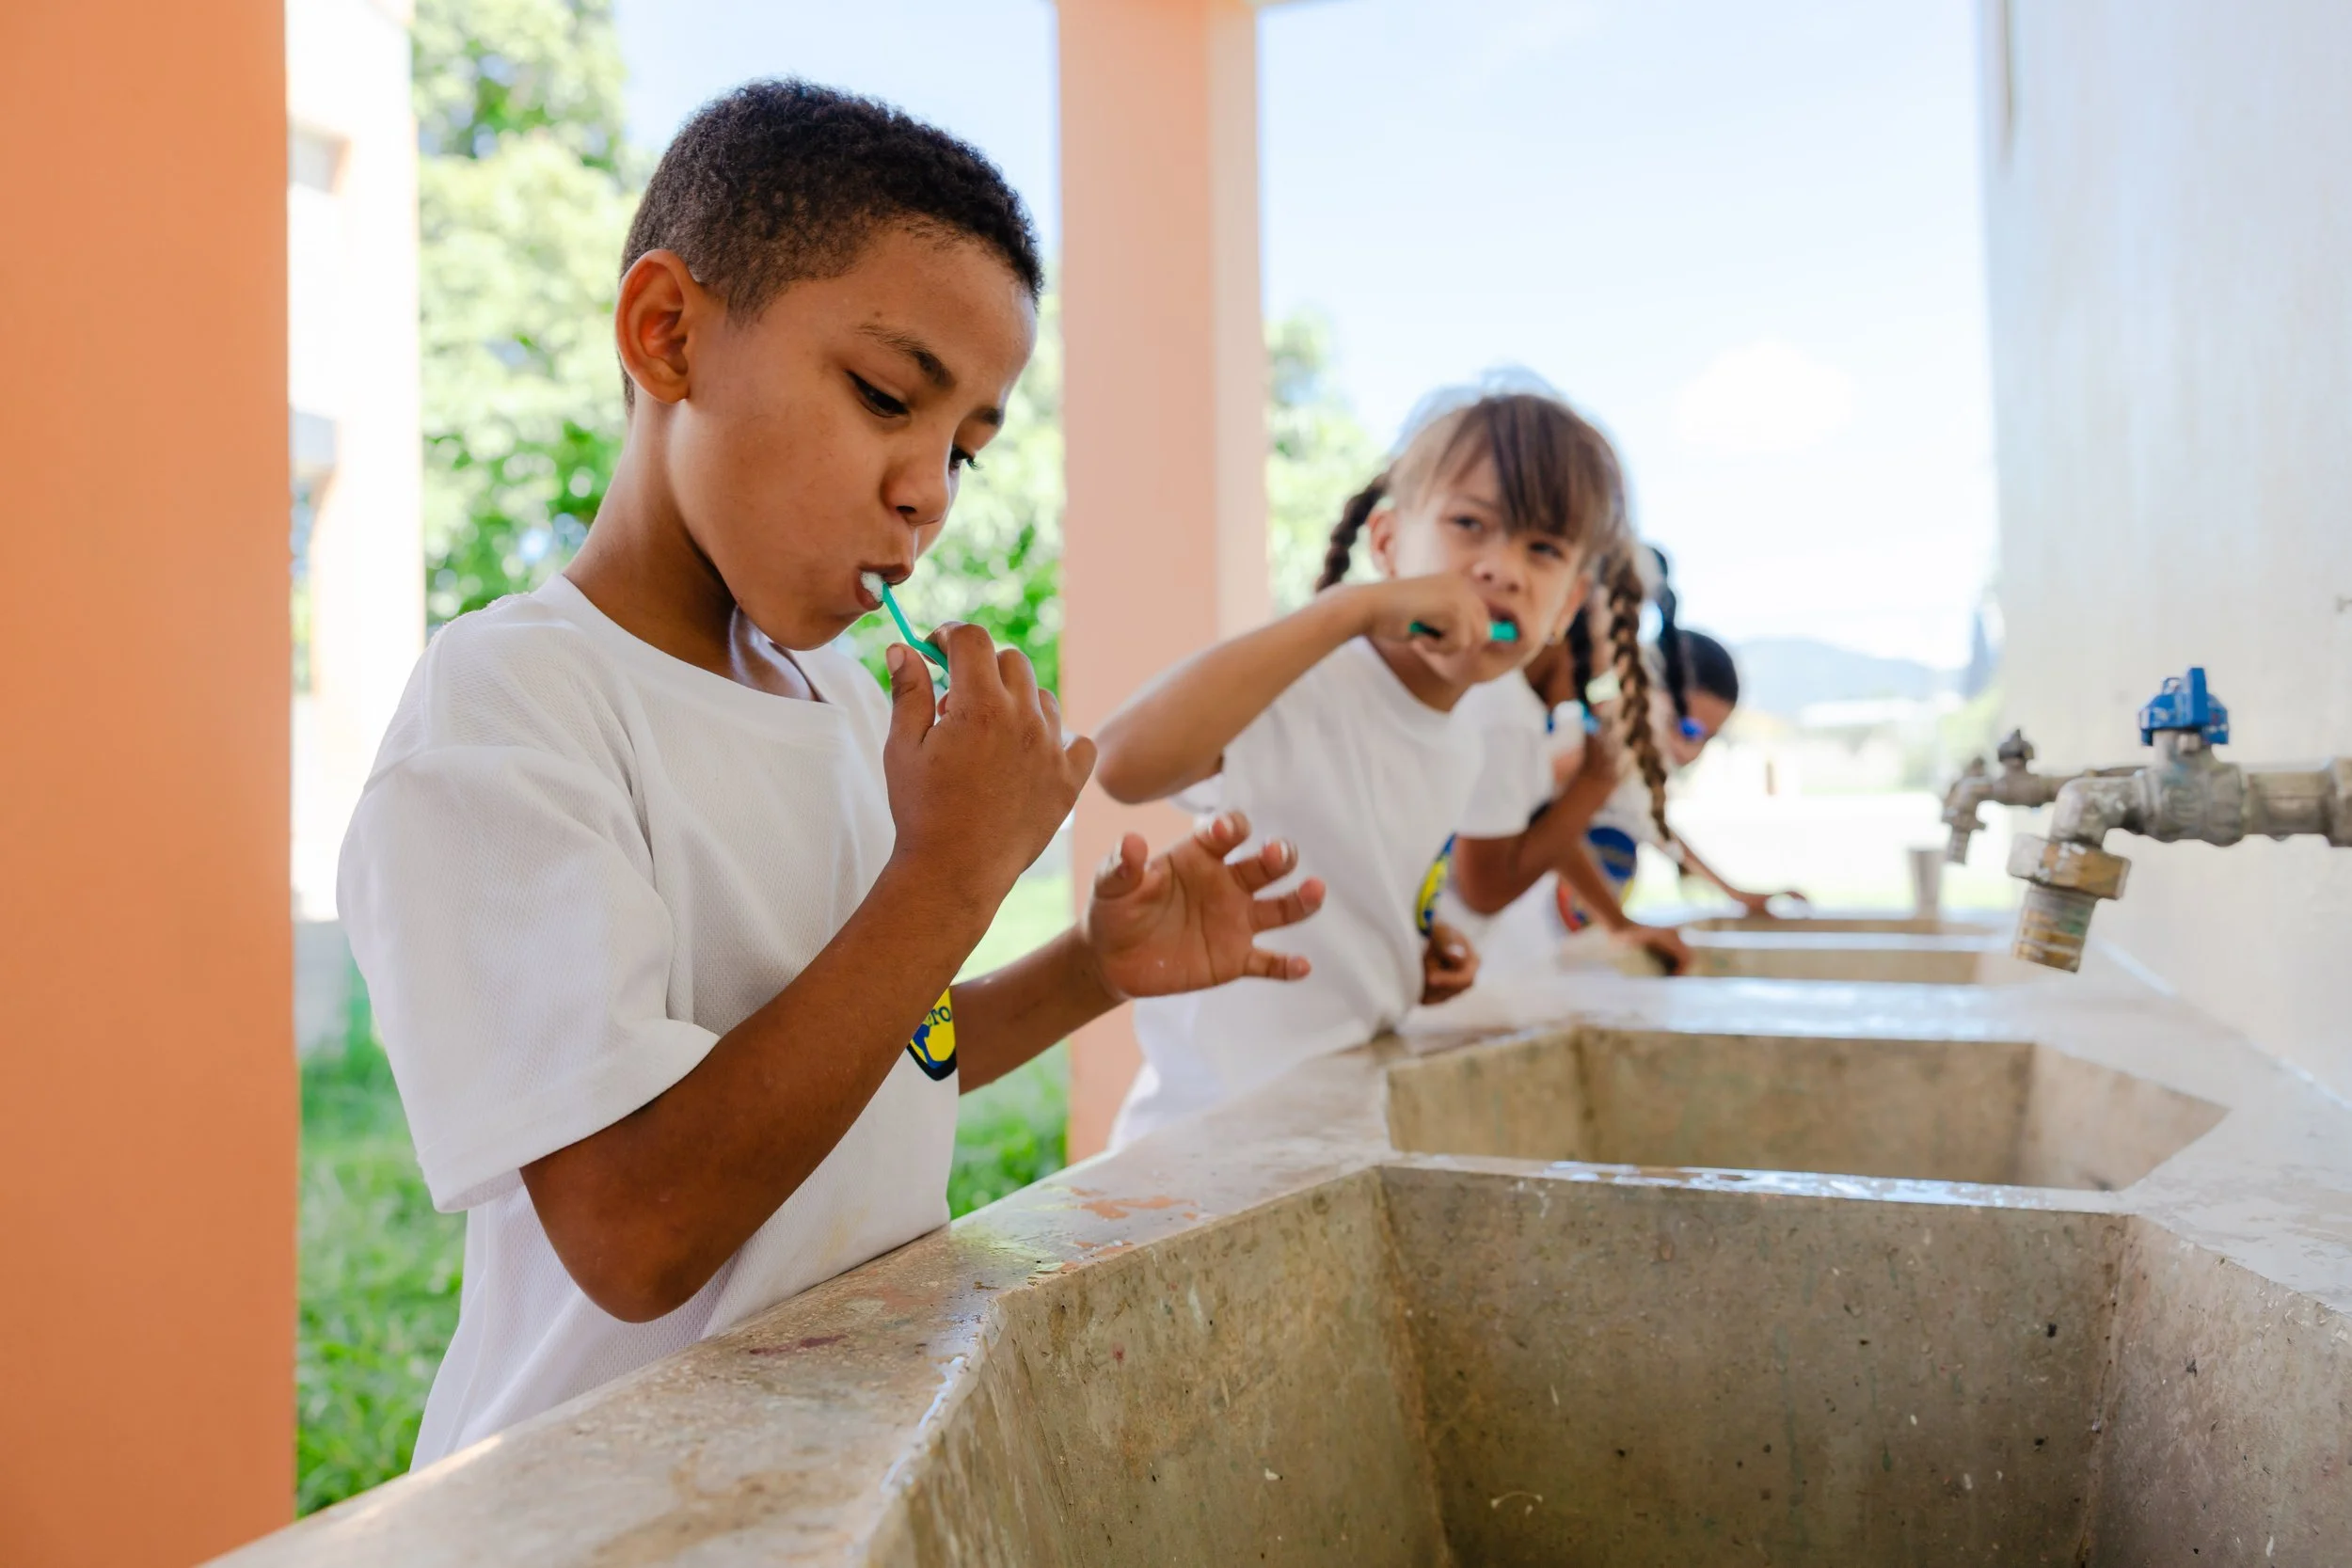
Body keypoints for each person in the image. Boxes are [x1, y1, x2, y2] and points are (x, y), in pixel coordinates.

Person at [338, 81, 1325, 1466]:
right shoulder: (512, 708)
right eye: (883, 397)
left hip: (825, 1472)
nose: (928, 491)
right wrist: (950, 874)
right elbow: (633, 1229)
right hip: (596, 1502)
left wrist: (1087, 971)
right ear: (667, 333)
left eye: (964, 449)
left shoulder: (853, 703)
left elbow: (877, 1057)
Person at [1091, 379, 1630, 1148]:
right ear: (1387, 545)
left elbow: (1366, 862)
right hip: (1206, 1132)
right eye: (1470, 524)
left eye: (1542, 548)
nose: (1502, 567)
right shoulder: (1315, 680)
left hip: (1332, 1126)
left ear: (1567, 606)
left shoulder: (1464, 736)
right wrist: (1349, 610)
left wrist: (1412, 950)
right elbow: (1121, 763)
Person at [1449, 547, 1798, 974]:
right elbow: (1504, 856)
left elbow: (1582, 833)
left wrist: (1621, 922)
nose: (1690, 749)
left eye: (1707, 738)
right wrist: (1593, 782)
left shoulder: (1578, 745)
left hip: (1546, 950)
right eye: (1687, 728)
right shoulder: (1550, 733)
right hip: (1505, 946)